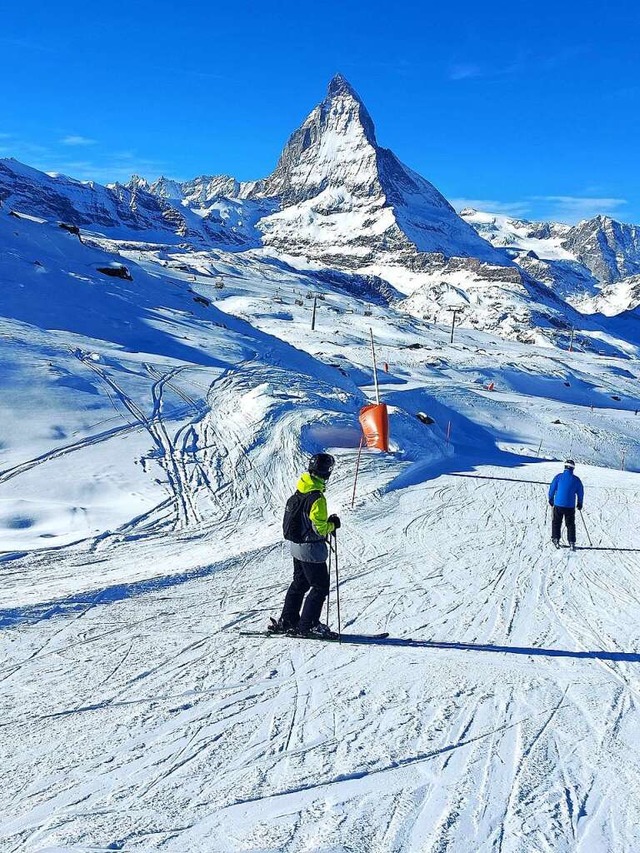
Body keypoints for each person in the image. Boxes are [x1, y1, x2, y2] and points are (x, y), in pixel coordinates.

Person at [270, 453, 341, 638]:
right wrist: (333, 524)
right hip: (311, 550)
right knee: (319, 587)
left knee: (300, 583)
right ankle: (307, 625)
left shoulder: (301, 490)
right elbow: (320, 529)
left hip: (296, 546)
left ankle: (288, 620)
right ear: (326, 472)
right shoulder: (317, 498)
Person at [548, 459, 584, 551]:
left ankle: (556, 539)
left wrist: (551, 498)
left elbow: (552, 488)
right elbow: (580, 492)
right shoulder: (576, 480)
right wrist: (580, 503)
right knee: (570, 524)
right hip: (570, 506)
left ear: (564, 467)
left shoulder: (558, 477)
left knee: (556, 522)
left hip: (558, 504)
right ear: (573, 468)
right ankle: (571, 542)